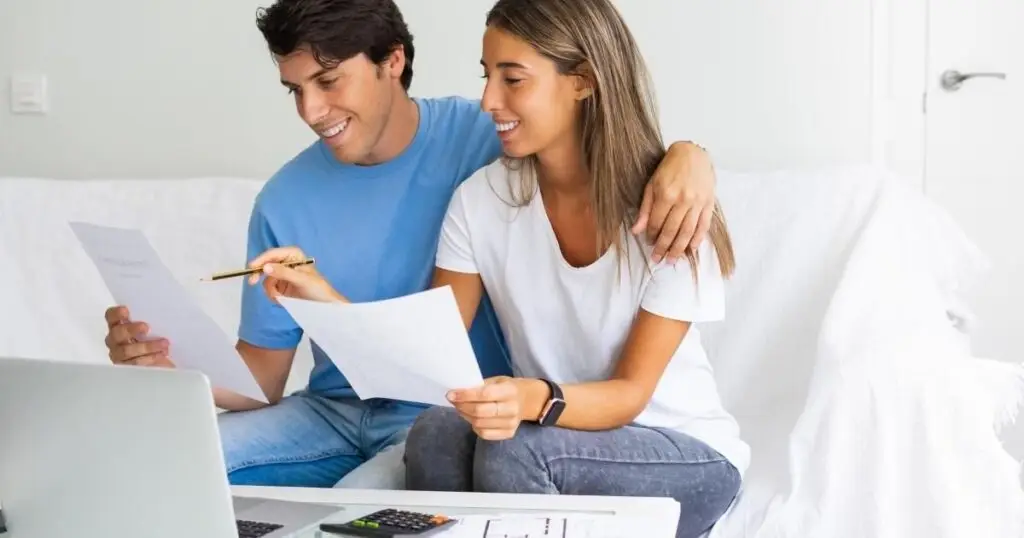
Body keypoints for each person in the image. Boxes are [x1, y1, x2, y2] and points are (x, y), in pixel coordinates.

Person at [101, 0, 724, 491]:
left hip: (475, 416)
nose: (311, 110)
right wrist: (171, 365)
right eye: (295, 90)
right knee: (150, 464)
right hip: (355, 410)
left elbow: (600, 135)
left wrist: (690, 156)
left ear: (391, 61)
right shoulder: (309, 199)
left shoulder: (489, 142)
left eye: (328, 81)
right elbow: (279, 377)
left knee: (406, 481)